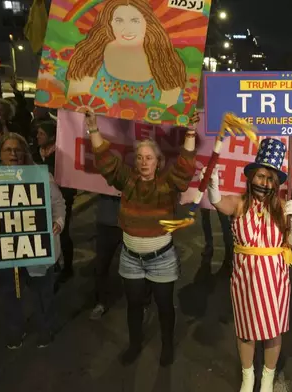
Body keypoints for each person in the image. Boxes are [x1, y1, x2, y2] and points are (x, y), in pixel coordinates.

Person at [85, 110, 196, 367]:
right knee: (134, 305)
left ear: (158, 162)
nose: (144, 162)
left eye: (149, 158)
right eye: (139, 157)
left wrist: (190, 132)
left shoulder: (168, 183)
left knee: (164, 305)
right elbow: (106, 161)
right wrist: (93, 128)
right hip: (131, 259)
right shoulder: (127, 180)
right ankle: (135, 344)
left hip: (162, 260)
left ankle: (167, 346)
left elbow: (184, 167)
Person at [204, 138, 292, 392]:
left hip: (275, 281)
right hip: (245, 279)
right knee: (246, 331)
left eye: (270, 179)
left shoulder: (282, 208)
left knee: (272, 332)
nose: (264, 183)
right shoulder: (240, 203)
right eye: (260, 176)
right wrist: (212, 186)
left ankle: (267, 377)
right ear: (251, 177)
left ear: (276, 183)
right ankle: (248, 376)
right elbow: (219, 203)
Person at [0, 132, 65, 348]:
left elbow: (58, 204)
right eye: (8, 149)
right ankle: (15, 332)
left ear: (25, 152)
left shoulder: (41, 175)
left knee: (42, 293)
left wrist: (59, 222)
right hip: (3, 250)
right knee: (9, 295)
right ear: (0, 154)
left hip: (36, 248)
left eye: (18, 149)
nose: (13, 153)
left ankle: (45, 329)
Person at [66, 0, 186, 109]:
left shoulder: (166, 62)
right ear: (109, 23)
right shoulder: (90, 54)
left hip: (144, 132)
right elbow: (74, 102)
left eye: (134, 21)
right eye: (119, 21)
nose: (127, 28)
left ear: (147, 23)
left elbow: (171, 111)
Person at [32, 121, 77, 282]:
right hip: (40, 199)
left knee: (62, 233)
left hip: (61, 198)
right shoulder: (35, 152)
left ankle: (67, 267)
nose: (38, 136)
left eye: (42, 134)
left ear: (52, 136)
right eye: (38, 133)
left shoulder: (61, 154)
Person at [200, 208, 233, 273]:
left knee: (223, 218)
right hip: (205, 198)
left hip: (216, 198)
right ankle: (227, 247)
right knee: (206, 217)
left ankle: (228, 246)